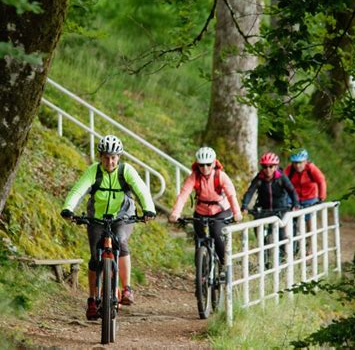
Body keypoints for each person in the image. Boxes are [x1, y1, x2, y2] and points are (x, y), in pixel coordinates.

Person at [60, 135, 156, 320]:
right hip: (96, 218)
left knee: (121, 240)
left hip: (123, 217)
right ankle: (92, 299)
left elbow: (141, 189)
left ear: (119, 157)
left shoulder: (126, 171)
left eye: (113, 157)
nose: (109, 161)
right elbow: (78, 190)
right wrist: (68, 208)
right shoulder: (93, 171)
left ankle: (127, 289)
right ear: (100, 156)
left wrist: (148, 209)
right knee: (95, 258)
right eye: (105, 157)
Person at [168, 147, 242, 265]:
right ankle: (202, 269)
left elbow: (231, 195)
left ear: (214, 163)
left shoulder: (220, 176)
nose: (205, 168)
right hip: (201, 211)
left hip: (220, 210)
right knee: (199, 238)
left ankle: (224, 265)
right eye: (201, 165)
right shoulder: (194, 176)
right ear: (197, 165)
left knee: (216, 234)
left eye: (208, 164)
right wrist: (175, 213)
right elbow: (183, 195)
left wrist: (237, 212)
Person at [241, 152, 300, 257]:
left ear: (276, 167)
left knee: (282, 235)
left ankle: (282, 259)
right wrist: (245, 205)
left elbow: (292, 190)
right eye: (264, 167)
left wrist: (295, 203)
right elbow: (250, 192)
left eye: (271, 166)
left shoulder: (282, 177)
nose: (267, 169)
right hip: (264, 209)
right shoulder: (259, 178)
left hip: (280, 209)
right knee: (258, 230)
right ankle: (264, 256)